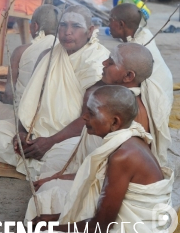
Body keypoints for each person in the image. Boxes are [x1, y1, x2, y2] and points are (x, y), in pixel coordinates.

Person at [26, 44, 170, 222]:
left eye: (111, 62)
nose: (103, 63)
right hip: (107, 174)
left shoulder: (130, 119)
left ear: (128, 76)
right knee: (55, 156)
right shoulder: (121, 103)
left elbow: (106, 178)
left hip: (112, 191)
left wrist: (58, 180)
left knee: (47, 194)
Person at [27, 86, 172, 233]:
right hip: (116, 228)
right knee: (48, 199)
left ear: (115, 122)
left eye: (91, 113)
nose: (84, 117)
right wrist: (52, 220)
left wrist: (50, 228)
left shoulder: (123, 156)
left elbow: (102, 226)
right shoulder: (127, 139)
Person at [0, 5, 110, 178]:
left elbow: (89, 120)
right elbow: (31, 101)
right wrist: (22, 133)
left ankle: (41, 164)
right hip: (36, 132)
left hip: (68, 139)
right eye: (63, 25)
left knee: (71, 154)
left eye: (76, 26)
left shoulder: (96, 63)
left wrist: (50, 142)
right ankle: (42, 165)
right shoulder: (47, 55)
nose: (67, 32)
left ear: (90, 31)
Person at [0, 4, 58, 126]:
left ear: (35, 26)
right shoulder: (67, 51)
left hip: (23, 120)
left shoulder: (21, 51)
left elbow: (9, 96)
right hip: (56, 120)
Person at [109, 3, 173, 105]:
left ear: (121, 24)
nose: (108, 25)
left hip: (156, 100)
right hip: (165, 94)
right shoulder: (144, 33)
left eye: (110, 21)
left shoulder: (136, 49)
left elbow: (123, 79)